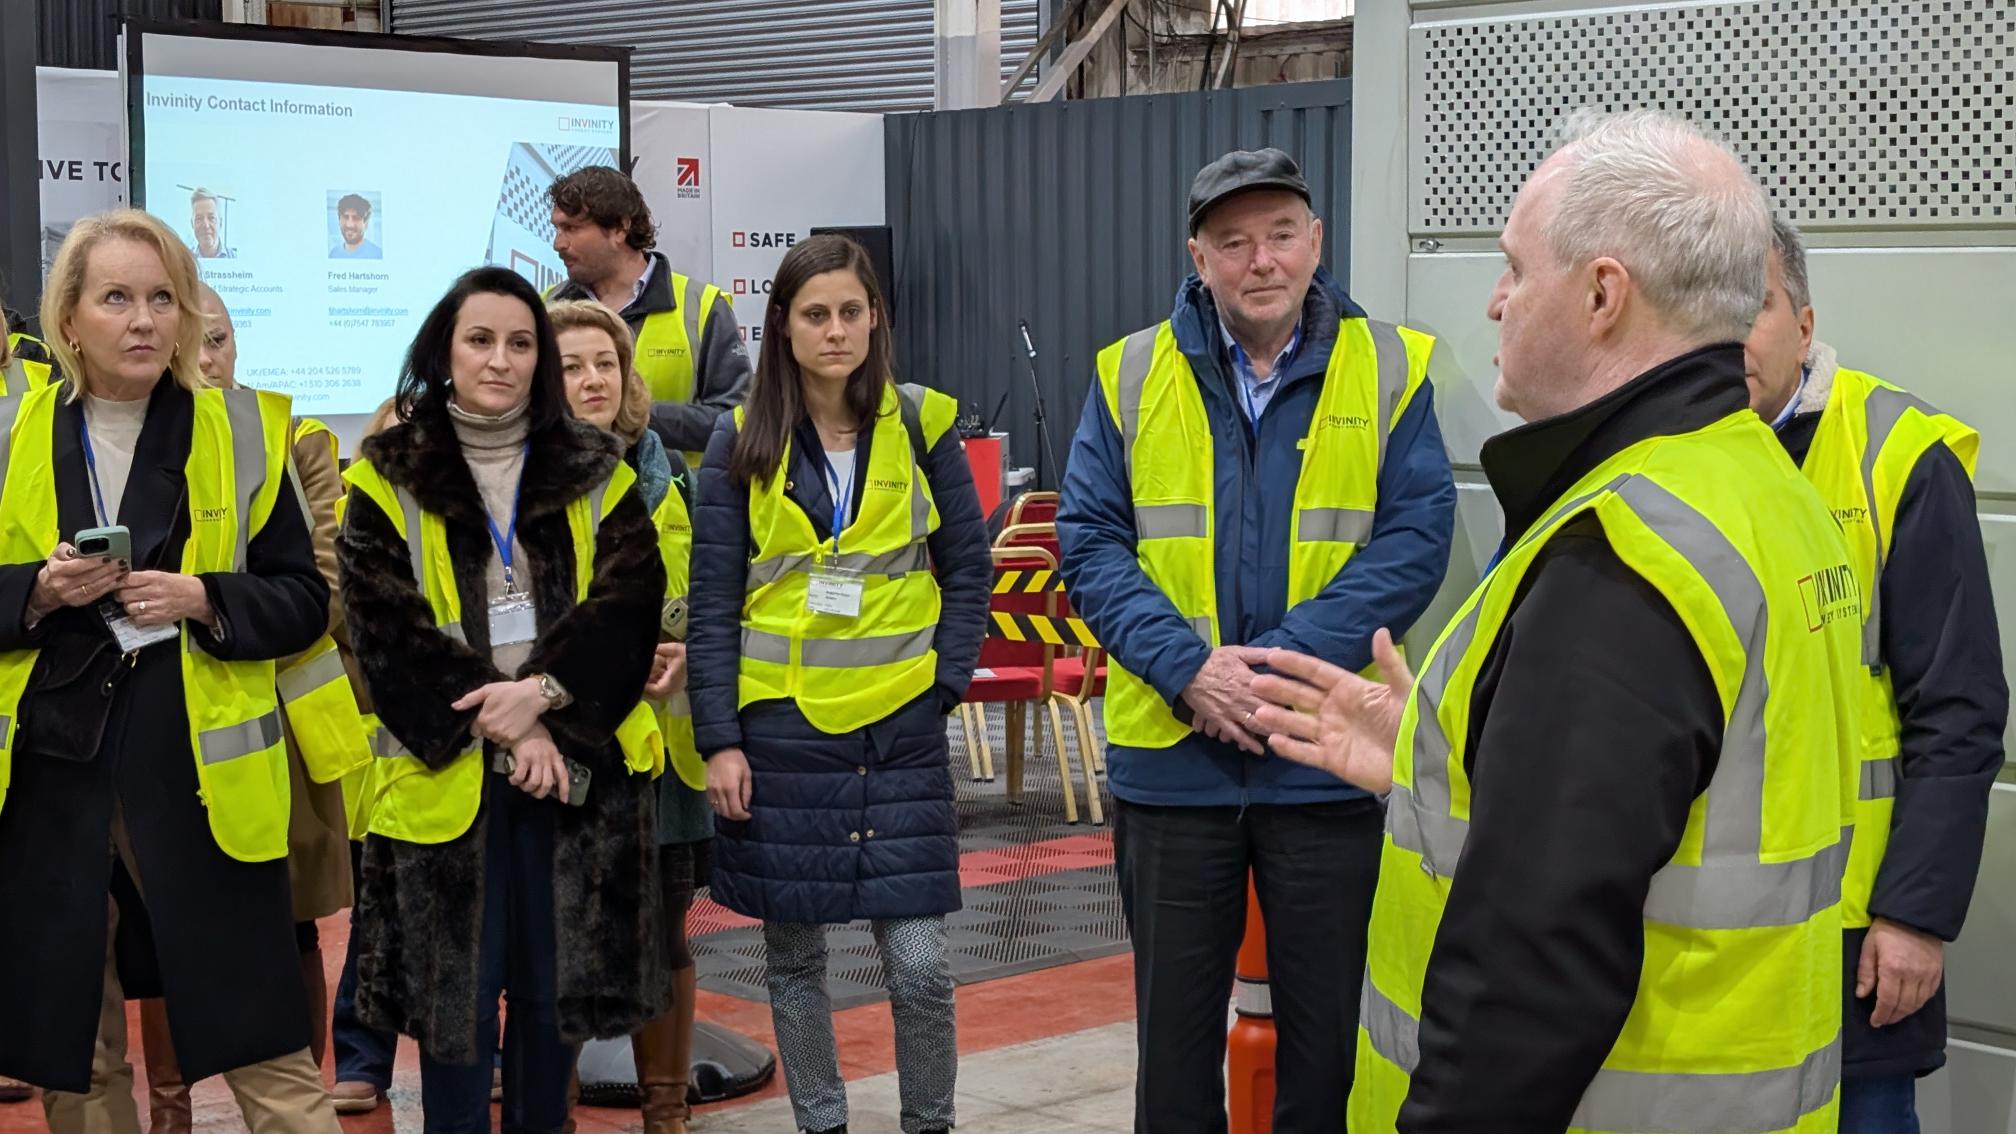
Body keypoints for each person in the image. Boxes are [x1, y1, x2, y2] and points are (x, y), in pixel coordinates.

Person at [1248, 109, 1865, 1134]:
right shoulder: (1765, 488)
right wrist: (1439, 754)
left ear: (1602, 294)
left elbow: (1529, 977)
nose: (1495, 302)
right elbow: (1683, 806)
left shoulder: (1623, 558)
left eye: (1514, 269)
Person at [1054, 147, 1454, 1133]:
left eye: (1280, 235)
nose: (1260, 260)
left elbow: (1414, 541)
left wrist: (1265, 675)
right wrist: (1188, 668)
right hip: (1173, 765)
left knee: (1327, 1050)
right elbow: (1090, 541)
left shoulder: (1393, 367)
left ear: (1316, 243)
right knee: (1174, 1052)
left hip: (1321, 761)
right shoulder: (1128, 372)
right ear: (1198, 256)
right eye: (1232, 242)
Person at [0, 209, 340, 1133]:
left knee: (266, 1042)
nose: (145, 319)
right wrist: (38, 591)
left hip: (196, 776)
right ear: (69, 319)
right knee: (77, 1046)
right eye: (117, 298)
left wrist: (202, 598)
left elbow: (304, 602)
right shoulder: (10, 432)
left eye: (163, 298)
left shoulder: (243, 429)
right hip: (53, 773)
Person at [336, 266, 670, 1134]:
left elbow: (629, 604)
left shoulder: (599, 468)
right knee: (456, 1022)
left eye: (521, 343)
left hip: (571, 784)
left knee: (554, 1005)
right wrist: (511, 725)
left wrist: (547, 699)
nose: (501, 359)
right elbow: (385, 628)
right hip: (450, 785)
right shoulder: (387, 476)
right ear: (444, 351)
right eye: (480, 340)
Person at [689, 234, 990, 1134]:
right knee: (793, 960)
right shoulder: (739, 439)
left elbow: (967, 567)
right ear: (782, 326)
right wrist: (720, 739)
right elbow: (713, 602)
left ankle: (926, 1123)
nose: (834, 331)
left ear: (874, 320)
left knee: (922, 965)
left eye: (850, 313)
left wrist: (944, 683)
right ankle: (822, 1123)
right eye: (814, 314)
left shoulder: (924, 422)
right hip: (780, 736)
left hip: (898, 734)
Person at [1745, 218, 2006, 1132]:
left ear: (1805, 325)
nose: (1735, 333)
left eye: (1759, 306)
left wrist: (1916, 916)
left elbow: (1960, 710)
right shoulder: (1654, 457)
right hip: (1701, 943)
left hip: (1854, 935)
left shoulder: (1897, 455)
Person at [125, 285, 370, 1133]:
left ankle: (296, 1087)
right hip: (149, 733)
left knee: (288, 929)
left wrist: (205, 601)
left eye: (220, 339)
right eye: (198, 341)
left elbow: (327, 590)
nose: (209, 357)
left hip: (272, 738)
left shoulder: (290, 442)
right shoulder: (122, 448)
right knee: (151, 934)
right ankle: (170, 1109)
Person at [547, 298, 710, 1134]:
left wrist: (689, 651)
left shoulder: (673, 474)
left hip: (663, 748)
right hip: (569, 745)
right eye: (571, 365)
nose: (592, 379)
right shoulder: (526, 484)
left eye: (605, 363)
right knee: (564, 935)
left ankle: (666, 1110)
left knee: (664, 934)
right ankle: (554, 1108)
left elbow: (713, 597)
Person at [543, 166, 750, 462]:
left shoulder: (701, 306)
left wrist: (629, 414)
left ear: (619, 228)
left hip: (677, 502)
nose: (558, 243)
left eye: (571, 229)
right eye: (557, 228)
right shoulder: (547, 308)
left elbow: (738, 420)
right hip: (574, 500)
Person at [331, 194, 382, 259]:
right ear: (339, 221)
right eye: (345, 217)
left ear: (366, 224)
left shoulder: (378, 255)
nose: (350, 225)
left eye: (356, 218)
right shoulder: (333, 254)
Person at [190, 190, 234, 259]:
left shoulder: (236, 259)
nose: (206, 225)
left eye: (211, 218)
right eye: (199, 219)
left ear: (221, 223)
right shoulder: (185, 260)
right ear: (192, 224)